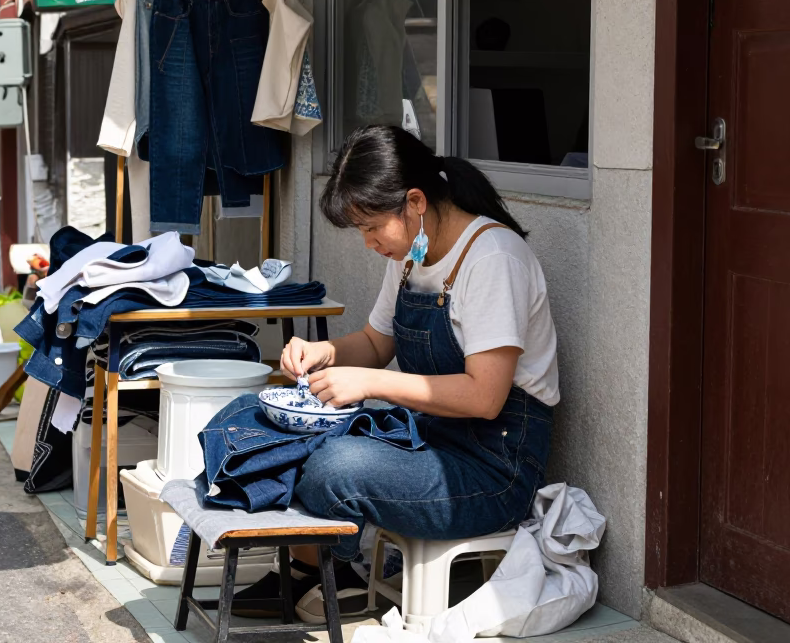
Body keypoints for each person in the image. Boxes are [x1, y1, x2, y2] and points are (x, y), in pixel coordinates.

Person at [234, 125, 560, 620]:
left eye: (370, 227)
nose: (368, 243)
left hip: (493, 469)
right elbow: (373, 343)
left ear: (414, 201)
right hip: (429, 439)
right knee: (261, 422)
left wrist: (367, 383)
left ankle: (335, 576)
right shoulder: (412, 252)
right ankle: (309, 572)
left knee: (336, 467)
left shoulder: (494, 258)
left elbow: (484, 397)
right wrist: (322, 351)